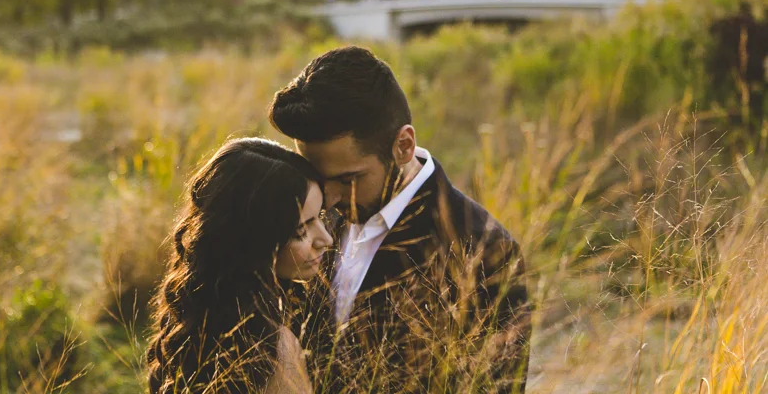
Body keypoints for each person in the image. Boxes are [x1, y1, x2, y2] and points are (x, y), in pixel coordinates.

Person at [269, 46, 531, 393]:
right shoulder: (312, 219)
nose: (328, 199)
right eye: (318, 178)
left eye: (347, 180)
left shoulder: (485, 251)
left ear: (404, 145)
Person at [147, 138, 334, 394]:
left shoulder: (193, 309)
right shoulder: (276, 347)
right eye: (301, 230)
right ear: (255, 241)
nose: (326, 240)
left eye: (320, 217)